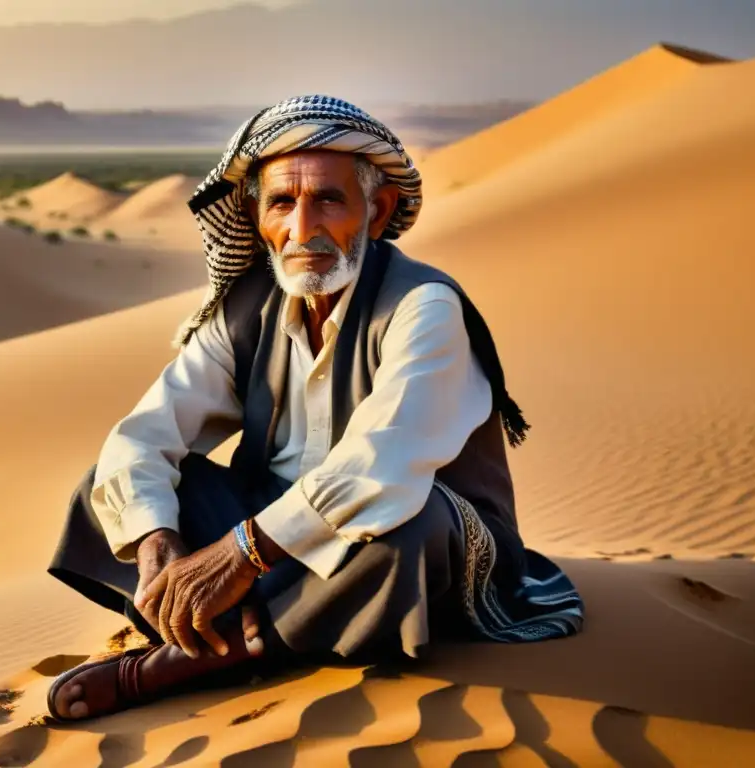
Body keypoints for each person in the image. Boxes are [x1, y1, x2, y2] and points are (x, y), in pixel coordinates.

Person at [46, 95, 584, 721]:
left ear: (375, 211)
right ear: (258, 218)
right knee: (113, 489)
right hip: (273, 530)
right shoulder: (246, 311)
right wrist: (158, 543)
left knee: (405, 527)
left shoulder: (423, 307)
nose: (303, 230)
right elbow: (147, 434)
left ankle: (200, 656)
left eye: (328, 199)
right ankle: (256, 624)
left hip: (401, 538)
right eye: (282, 202)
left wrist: (239, 554)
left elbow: (382, 465)